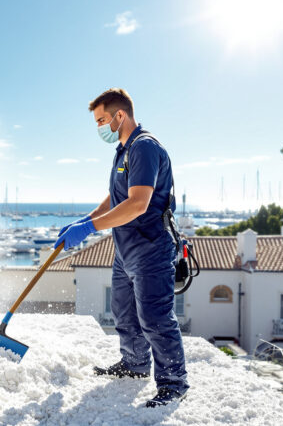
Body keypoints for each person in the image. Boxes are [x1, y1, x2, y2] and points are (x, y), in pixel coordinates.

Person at [55, 88, 189, 407]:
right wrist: (83, 220)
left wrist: (89, 229)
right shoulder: (123, 149)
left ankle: (173, 382)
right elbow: (116, 197)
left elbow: (138, 203)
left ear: (120, 115)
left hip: (151, 248)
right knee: (124, 313)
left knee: (155, 318)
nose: (99, 127)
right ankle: (135, 364)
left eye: (102, 119)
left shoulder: (144, 147)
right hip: (125, 249)